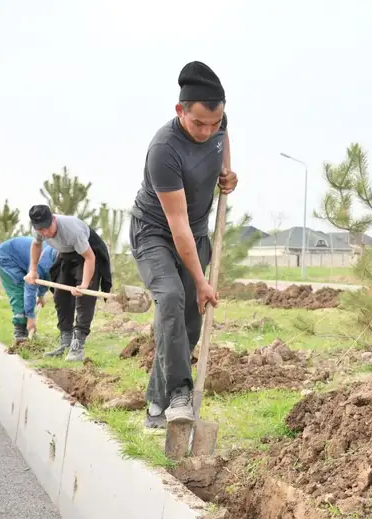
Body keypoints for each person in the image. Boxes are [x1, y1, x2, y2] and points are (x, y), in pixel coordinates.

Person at [129, 61, 238, 429]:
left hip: (197, 233)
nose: (207, 131)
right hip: (156, 233)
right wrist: (202, 281)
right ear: (180, 111)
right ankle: (179, 393)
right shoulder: (164, 149)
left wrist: (227, 173)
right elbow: (177, 226)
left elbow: (223, 141)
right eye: (198, 124)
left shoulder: (218, 125)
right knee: (173, 298)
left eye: (214, 123)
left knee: (188, 324)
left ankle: (156, 407)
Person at [24, 205, 113, 362]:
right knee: (60, 296)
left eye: (47, 227)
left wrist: (84, 284)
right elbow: (36, 245)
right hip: (67, 254)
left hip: (89, 253)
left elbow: (90, 258)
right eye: (40, 230)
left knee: (84, 298)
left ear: (53, 219)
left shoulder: (72, 230)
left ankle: (78, 344)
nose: (45, 233)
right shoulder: (38, 230)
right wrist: (33, 270)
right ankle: (66, 341)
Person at [0, 236, 58, 344]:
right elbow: (30, 287)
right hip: (5, 257)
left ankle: (27, 331)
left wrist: (40, 295)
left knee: (25, 290)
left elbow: (45, 279)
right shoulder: (44, 261)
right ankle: (20, 333)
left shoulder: (55, 257)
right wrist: (31, 317)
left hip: (20, 258)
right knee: (19, 290)